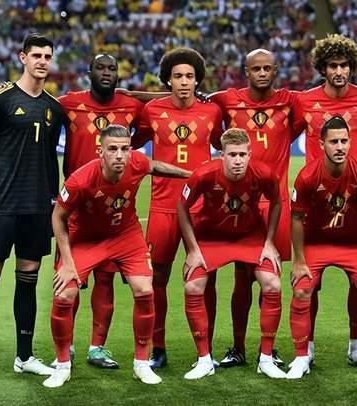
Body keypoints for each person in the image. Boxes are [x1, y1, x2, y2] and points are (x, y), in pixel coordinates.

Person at [44, 124, 191, 388]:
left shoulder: (136, 163)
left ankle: (141, 363)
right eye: (112, 149)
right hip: (86, 238)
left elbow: (155, 166)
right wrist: (66, 262)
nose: (120, 155)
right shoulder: (80, 180)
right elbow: (58, 217)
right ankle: (62, 365)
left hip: (125, 234)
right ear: (100, 151)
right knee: (64, 294)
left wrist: (189, 174)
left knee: (145, 289)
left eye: (125, 149)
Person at [0, 33, 63, 383]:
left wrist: (53, 200)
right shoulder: (0, 99)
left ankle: (24, 356)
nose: (42, 61)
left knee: (28, 281)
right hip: (1, 206)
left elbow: (50, 159)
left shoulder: (54, 108)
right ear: (22, 57)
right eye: (36, 55)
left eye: (47, 56)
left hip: (36, 208)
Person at [291, 33, 357, 367]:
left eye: (344, 65)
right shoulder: (304, 101)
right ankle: (307, 346)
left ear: (352, 67)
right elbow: (283, 136)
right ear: (322, 68)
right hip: (314, 203)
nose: (339, 71)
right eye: (332, 65)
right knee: (309, 283)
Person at [286, 116, 357, 379]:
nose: (340, 147)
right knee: (302, 290)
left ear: (350, 142)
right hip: (316, 243)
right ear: (321, 144)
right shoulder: (307, 176)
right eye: (333, 141)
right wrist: (299, 260)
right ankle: (302, 355)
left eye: (344, 141)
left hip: (352, 243)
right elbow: (296, 218)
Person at [134, 47, 223, 369]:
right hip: (163, 207)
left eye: (189, 76)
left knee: (206, 277)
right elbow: (134, 143)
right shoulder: (152, 111)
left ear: (197, 80)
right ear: (168, 81)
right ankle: (157, 348)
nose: (184, 82)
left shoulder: (212, 112)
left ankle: (206, 349)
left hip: (201, 207)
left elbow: (223, 145)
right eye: (177, 76)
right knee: (157, 278)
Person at [209, 48, 297, 367]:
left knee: (270, 278)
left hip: (276, 205)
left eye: (267, 68)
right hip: (241, 204)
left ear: (275, 70)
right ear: (246, 72)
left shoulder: (290, 101)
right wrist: (130, 93)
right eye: (256, 68)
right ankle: (238, 347)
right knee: (242, 279)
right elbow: (189, 96)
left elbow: (327, 97)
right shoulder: (227, 100)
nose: (262, 73)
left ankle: (267, 348)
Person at [56, 53, 144, 369]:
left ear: (118, 75)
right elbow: (39, 101)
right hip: (75, 206)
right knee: (70, 280)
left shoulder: (131, 106)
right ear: (88, 72)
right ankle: (66, 347)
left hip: (112, 207)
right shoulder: (69, 103)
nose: (106, 72)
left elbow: (147, 117)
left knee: (105, 279)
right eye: (101, 68)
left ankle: (97, 348)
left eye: (112, 68)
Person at [178, 128, 284, 380]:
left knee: (272, 284)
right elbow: (182, 207)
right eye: (232, 155)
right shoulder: (203, 175)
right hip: (211, 236)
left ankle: (266, 359)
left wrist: (269, 242)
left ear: (250, 154)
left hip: (249, 235)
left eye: (242, 155)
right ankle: (204, 359)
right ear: (221, 155)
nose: (238, 160)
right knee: (193, 286)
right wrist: (192, 250)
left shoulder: (264, 174)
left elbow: (277, 202)